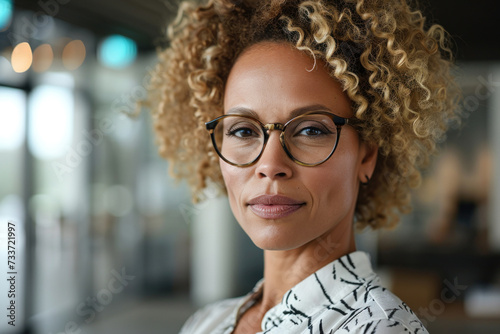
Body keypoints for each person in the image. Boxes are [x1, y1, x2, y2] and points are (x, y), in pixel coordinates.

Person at [147, 0, 460, 332]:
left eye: (311, 130)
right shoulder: (206, 323)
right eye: (243, 130)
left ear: (366, 155)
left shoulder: (378, 327)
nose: (270, 165)